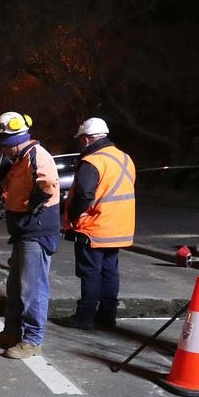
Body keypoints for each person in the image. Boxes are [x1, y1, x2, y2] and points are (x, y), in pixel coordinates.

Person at [0, 112, 61, 359]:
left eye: (1, 143)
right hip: (22, 232)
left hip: (36, 232)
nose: (1, 149)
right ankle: (12, 332)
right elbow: (11, 188)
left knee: (32, 289)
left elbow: (49, 183)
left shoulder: (36, 155)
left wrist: (33, 205)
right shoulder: (18, 161)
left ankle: (32, 341)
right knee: (16, 287)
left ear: (11, 140)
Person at [60, 117, 136, 330]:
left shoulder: (92, 161)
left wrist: (74, 217)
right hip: (119, 227)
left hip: (94, 227)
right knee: (110, 272)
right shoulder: (125, 158)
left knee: (90, 273)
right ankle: (107, 317)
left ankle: (84, 317)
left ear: (87, 139)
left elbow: (84, 194)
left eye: (81, 139)